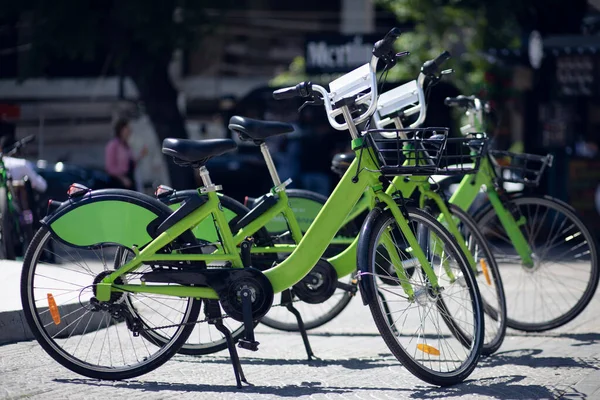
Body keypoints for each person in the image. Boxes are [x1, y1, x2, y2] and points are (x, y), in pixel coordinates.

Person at [105, 118, 147, 189]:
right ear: (121, 130)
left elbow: (131, 163)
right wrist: (122, 178)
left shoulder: (126, 146)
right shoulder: (113, 145)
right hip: (118, 182)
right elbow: (110, 167)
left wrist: (141, 156)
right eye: (127, 128)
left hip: (130, 179)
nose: (129, 131)